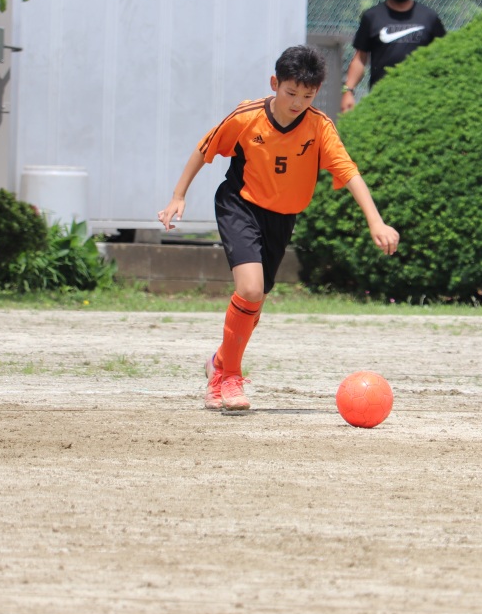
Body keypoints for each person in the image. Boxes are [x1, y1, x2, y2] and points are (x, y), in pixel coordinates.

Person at [157, 45, 401, 410]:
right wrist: (178, 196)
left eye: (308, 95)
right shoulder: (247, 116)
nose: (298, 102)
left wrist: (375, 220)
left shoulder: (319, 126)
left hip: (282, 218)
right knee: (250, 289)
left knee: (253, 306)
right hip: (240, 205)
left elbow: (348, 172)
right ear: (275, 84)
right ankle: (227, 379)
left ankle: (219, 363)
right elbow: (204, 149)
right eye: (291, 93)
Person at [339, 0, 446, 114]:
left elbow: (443, 56)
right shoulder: (372, 16)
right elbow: (360, 58)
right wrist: (348, 91)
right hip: (381, 99)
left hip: (421, 100)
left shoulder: (429, 17)